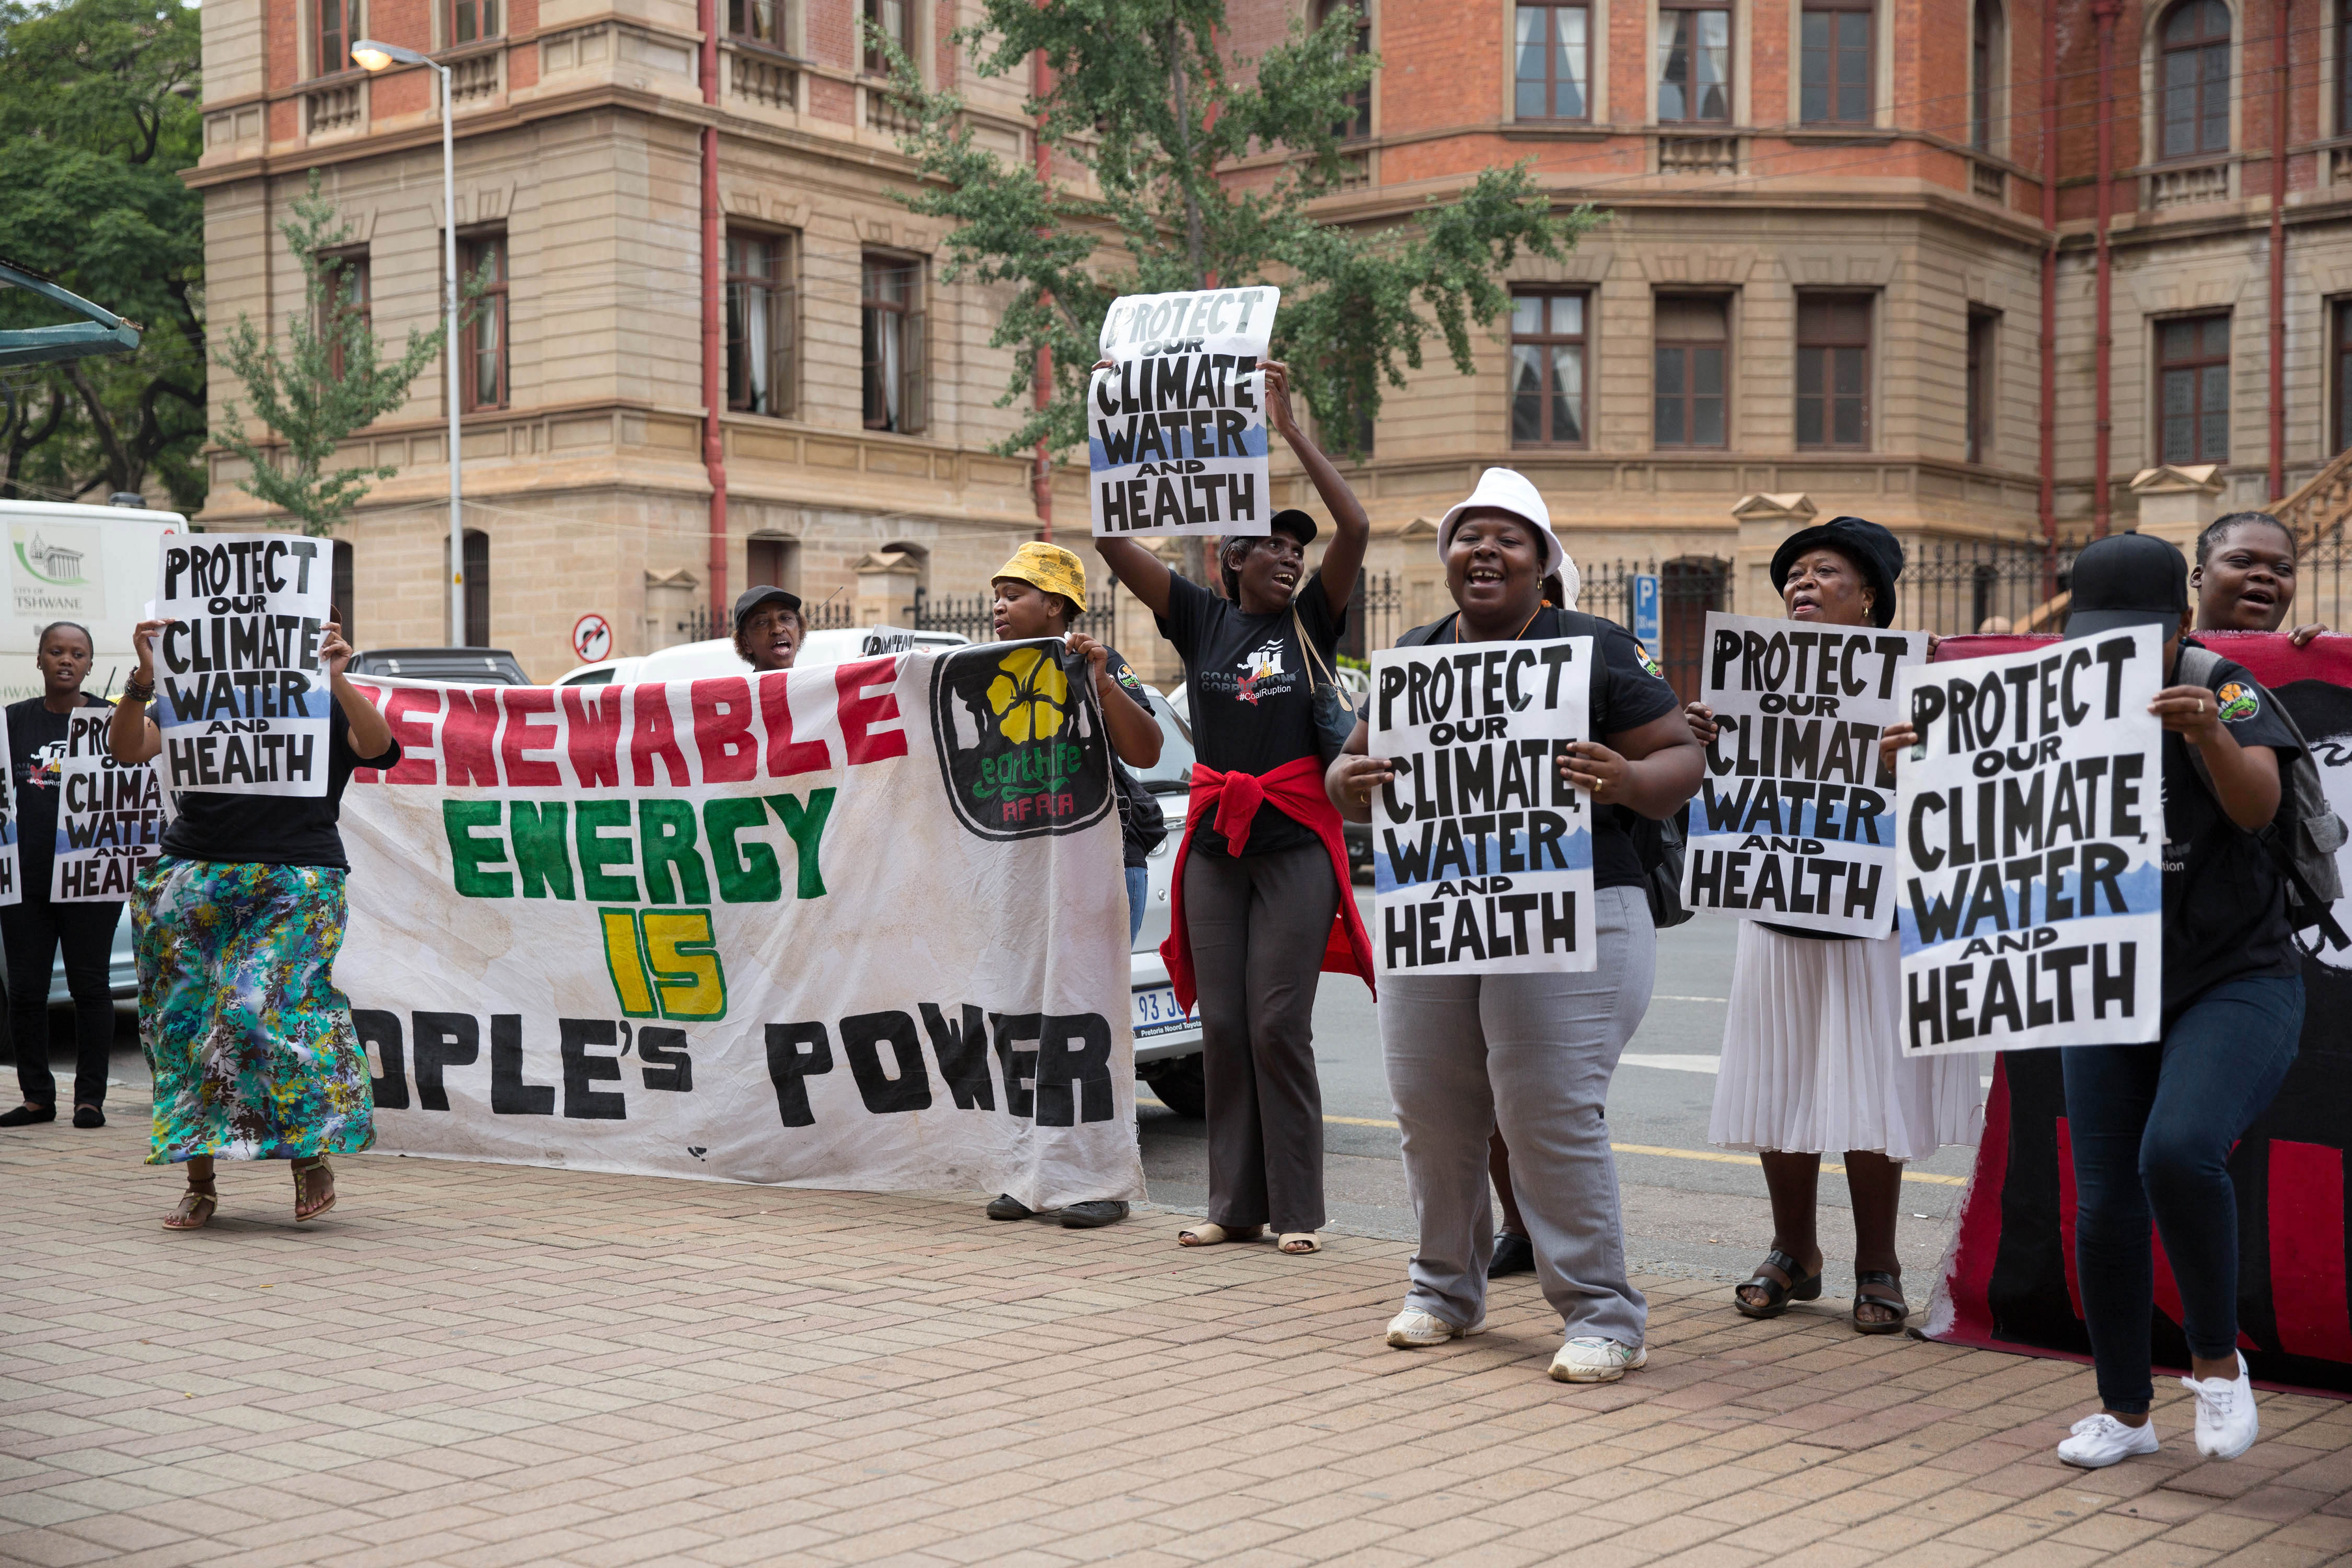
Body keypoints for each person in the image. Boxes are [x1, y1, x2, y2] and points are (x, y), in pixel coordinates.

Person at [1883, 532, 2304, 1468]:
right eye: (2096, 635)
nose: (2116, 653)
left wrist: (2208, 732)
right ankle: (2125, 1410)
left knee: (2179, 1152)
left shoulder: (2223, 685)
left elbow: (2257, 809)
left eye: (2138, 637)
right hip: (2107, 981)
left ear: (2180, 625)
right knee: (2106, 1198)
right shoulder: (2043, 697)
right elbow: (1982, 827)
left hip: (2235, 977)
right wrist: (1917, 767)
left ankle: (2217, 1362)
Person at [1327, 468, 1703, 1383]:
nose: (1484, 551)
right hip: (1439, 907)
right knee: (1431, 1106)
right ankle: (1442, 1292)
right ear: (1449, 559)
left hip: (1577, 909)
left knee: (1545, 1111)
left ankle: (1604, 1315)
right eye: (1469, 536)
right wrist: (1350, 783)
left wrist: (1624, 780)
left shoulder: (1595, 647)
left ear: (1542, 563)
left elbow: (1682, 760)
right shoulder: (1415, 653)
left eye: (1508, 538)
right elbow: (1346, 771)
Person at [1093, 358, 1374, 1256]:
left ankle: (1297, 1212)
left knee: (1276, 1023)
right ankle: (1233, 1207)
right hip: (1215, 848)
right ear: (1233, 560)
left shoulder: (1313, 619)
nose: (1291, 556)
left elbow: (1357, 526)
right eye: (1273, 545)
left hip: (1295, 845)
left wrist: (1291, 432)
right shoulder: (1199, 619)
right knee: (1219, 1026)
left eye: (1297, 549)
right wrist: (1119, 417)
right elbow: (1110, 539)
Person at [1684, 517, 1981, 1333]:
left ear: (1870, 597)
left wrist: (1911, 759)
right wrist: (1702, 742)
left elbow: (1966, 796)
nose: (1801, 585)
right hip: (1778, 904)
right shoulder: (1747, 684)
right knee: (1779, 1074)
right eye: (1793, 576)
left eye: (1823, 572)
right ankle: (1794, 1252)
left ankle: (1878, 1261)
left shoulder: (1919, 682)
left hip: (1873, 914)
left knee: (1869, 1078)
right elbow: (1713, 798)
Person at [108, 607, 399, 1229]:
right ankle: (199, 1183)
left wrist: (340, 678)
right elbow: (128, 748)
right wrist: (144, 677)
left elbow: (379, 749)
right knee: (184, 1026)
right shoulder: (202, 694)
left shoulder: (328, 699)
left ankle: (309, 1152)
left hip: (296, 880)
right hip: (195, 878)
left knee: (258, 1010)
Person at [978, 541, 1163, 1230]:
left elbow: (1147, 750)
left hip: (1103, 861)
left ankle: (1100, 1180)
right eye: (997, 596)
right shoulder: (983, 674)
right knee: (1025, 1021)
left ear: (1055, 604)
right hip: (1029, 871)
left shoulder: (1097, 665)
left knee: (1090, 1022)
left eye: (1015, 594)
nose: (1000, 607)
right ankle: (1034, 1174)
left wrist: (1102, 683)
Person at [0, 622, 124, 1130]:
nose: (66, 660)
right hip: (24, 882)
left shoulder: (113, 723)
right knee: (25, 991)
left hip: (89, 881)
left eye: (77, 653)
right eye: (56, 651)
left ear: (90, 664)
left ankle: (89, 1100)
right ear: (39, 660)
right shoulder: (11, 723)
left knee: (90, 988)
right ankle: (37, 1098)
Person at [2192, 510, 2327, 645]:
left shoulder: (2311, 655)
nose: (2265, 575)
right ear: (2198, 577)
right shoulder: (2179, 656)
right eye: (2242, 561)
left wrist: (2330, 652)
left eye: (2283, 569)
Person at [734, 584, 805, 672]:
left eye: (786, 618)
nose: (778, 629)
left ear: (800, 632)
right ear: (746, 644)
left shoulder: (815, 680)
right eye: (762, 622)